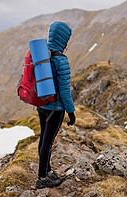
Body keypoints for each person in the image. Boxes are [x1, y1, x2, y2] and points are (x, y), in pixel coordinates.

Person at [36, 21, 76, 189]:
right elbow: (65, 91)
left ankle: (47, 171)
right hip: (56, 109)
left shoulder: (41, 55)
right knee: (48, 142)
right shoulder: (61, 60)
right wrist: (71, 112)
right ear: (63, 39)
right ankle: (42, 178)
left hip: (42, 105)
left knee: (43, 139)